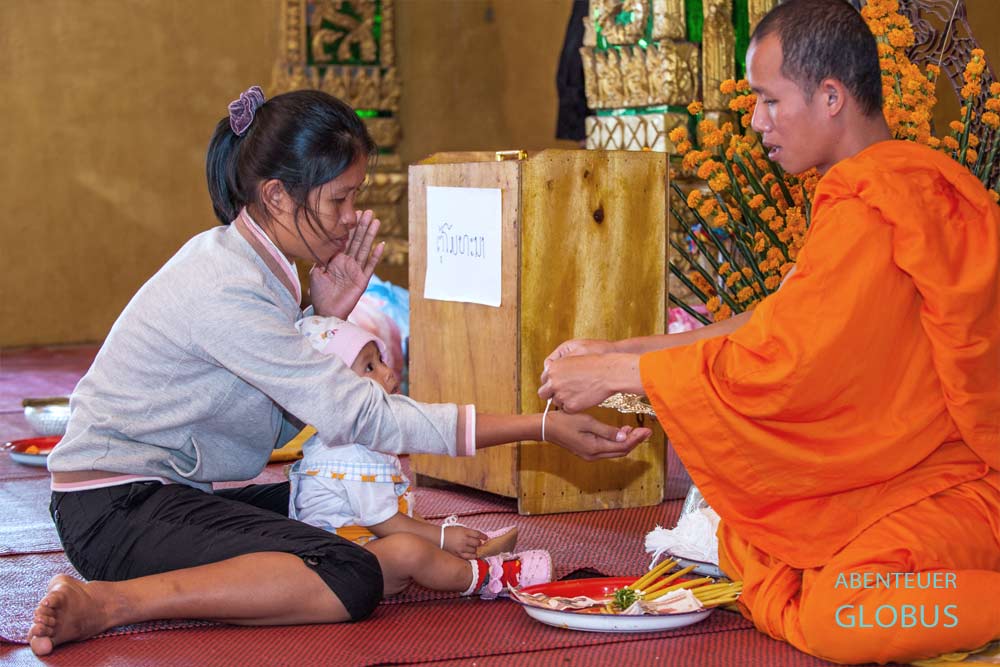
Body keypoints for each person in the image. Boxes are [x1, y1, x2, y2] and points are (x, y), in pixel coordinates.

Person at [28, 86, 652, 656]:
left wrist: (319, 319)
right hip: (115, 513)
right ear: (276, 196)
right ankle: (110, 603)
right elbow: (361, 415)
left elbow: (265, 421)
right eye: (340, 199)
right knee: (346, 574)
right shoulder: (226, 285)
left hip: (163, 496)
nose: (352, 215)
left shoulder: (252, 267)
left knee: (330, 501)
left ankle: (411, 552)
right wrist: (537, 426)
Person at [538, 1, 1000, 664]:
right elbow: (774, 321)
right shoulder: (886, 186)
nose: (755, 121)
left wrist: (618, 375)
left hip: (959, 487)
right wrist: (618, 351)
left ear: (831, 96)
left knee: (838, 613)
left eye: (767, 99)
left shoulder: (882, 202)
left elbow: (785, 366)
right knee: (766, 545)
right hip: (904, 476)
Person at [290, 314, 518, 558]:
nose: (388, 372)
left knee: (417, 543)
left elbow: (395, 506)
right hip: (342, 556)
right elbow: (382, 520)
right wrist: (441, 538)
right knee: (410, 554)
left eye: (380, 361)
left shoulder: (357, 440)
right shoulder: (348, 454)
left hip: (363, 536)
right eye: (370, 368)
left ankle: (458, 551)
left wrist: (435, 534)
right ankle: (477, 574)